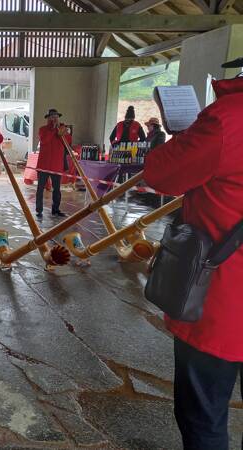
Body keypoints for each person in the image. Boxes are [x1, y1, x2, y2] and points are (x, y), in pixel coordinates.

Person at [143, 56, 243, 450]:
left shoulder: (228, 119)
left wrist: (182, 138)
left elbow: (160, 173)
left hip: (223, 298)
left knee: (204, 418)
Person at [35, 109, 72, 218]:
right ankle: (39, 210)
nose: (54, 118)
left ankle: (56, 209)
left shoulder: (62, 128)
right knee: (40, 188)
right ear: (48, 118)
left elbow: (68, 142)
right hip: (43, 165)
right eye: (52, 116)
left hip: (56, 165)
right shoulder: (43, 129)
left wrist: (62, 133)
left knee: (57, 189)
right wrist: (53, 130)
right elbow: (44, 140)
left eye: (56, 116)